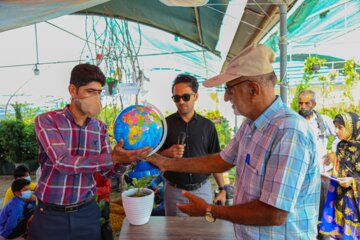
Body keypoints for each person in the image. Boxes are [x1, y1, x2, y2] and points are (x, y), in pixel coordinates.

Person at [146, 44, 320, 239]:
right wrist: (167, 162)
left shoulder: (289, 132)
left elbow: (275, 213)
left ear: (253, 89)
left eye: (230, 89)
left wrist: (210, 210)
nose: (226, 97)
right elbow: (221, 160)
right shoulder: (250, 125)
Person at [29, 63, 152, 240]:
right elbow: (63, 161)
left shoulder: (99, 128)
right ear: (73, 90)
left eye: (98, 92)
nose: (95, 97)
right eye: (89, 91)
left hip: (86, 213)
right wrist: (112, 157)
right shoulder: (47, 121)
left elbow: (106, 171)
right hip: (51, 215)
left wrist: (123, 160)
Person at [158, 74, 226, 216]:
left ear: (196, 96)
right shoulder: (164, 125)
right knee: (174, 234)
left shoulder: (208, 126)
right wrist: (167, 153)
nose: (181, 101)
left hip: (202, 190)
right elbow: (152, 156)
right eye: (176, 98)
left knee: (202, 233)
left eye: (186, 97)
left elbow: (215, 160)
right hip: (174, 191)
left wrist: (222, 189)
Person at [297, 89, 338, 239]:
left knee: (322, 210)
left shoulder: (323, 121)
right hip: (301, 175)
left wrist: (333, 151)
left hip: (321, 174)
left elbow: (339, 135)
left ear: (314, 104)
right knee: (303, 209)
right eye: (300, 103)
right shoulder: (295, 121)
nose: (303, 106)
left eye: (307, 103)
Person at [320, 112, 360, 239]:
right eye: (335, 127)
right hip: (342, 200)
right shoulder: (341, 146)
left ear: (351, 127)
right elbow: (339, 171)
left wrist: (353, 181)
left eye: (340, 127)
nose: (336, 131)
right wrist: (329, 175)